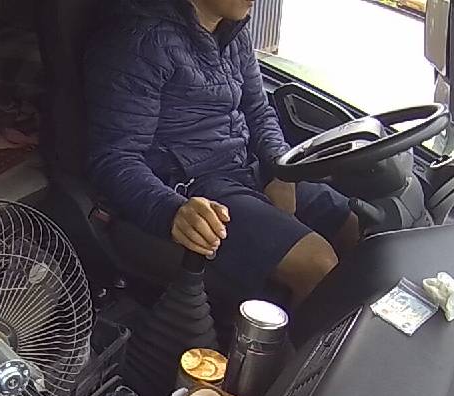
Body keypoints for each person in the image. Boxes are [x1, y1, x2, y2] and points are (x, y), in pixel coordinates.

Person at [85, 0, 361, 305]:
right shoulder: (140, 40)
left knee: (358, 227)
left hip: (245, 167)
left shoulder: (233, 33)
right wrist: (172, 210)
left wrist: (280, 168)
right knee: (317, 263)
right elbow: (115, 157)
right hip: (193, 186)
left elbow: (258, 111)